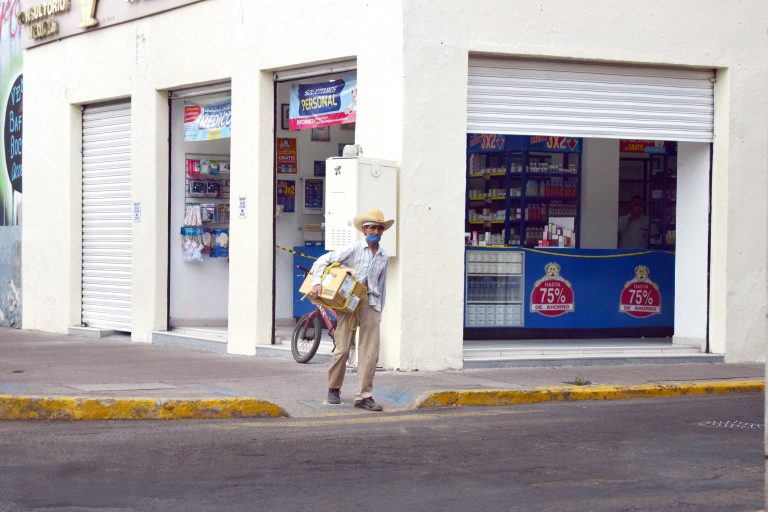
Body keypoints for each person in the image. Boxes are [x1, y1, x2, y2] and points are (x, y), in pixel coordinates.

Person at [309, 209, 394, 412]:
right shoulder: (354, 249)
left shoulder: (383, 255)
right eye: (371, 227)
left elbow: (382, 285)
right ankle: (334, 388)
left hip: (371, 303)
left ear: (382, 231)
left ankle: (364, 396)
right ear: (364, 230)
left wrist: (380, 308)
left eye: (379, 227)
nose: (375, 230)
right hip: (349, 302)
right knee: (343, 349)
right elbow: (322, 260)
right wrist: (317, 283)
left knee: (370, 352)